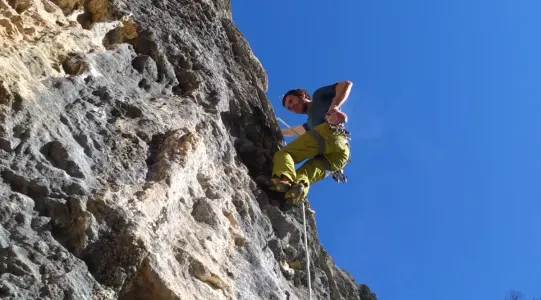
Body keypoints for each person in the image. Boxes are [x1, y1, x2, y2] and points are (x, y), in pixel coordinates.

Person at [266, 80, 353, 206]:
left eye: (291, 101)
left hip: (329, 132)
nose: (292, 108)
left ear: (302, 95)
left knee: (285, 154)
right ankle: (295, 193)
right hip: (341, 155)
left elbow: (345, 84)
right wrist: (272, 130)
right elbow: (293, 131)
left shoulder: (319, 96)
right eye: (289, 108)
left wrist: (334, 106)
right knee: (304, 175)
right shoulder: (311, 123)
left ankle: (284, 180)